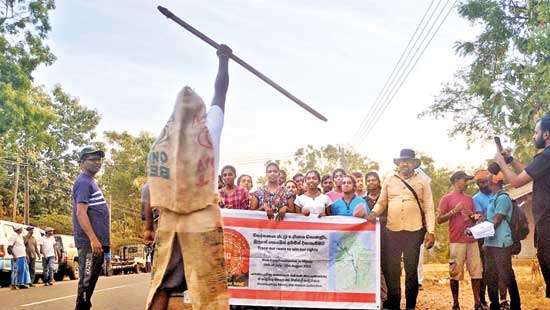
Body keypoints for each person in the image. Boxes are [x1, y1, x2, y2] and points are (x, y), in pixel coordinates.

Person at [367, 149, 435, 310]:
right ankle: (394, 304)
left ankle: (410, 306)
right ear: (397, 163)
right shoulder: (389, 179)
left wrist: (431, 231)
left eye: (408, 161)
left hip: (414, 231)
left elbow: (429, 207)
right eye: (402, 161)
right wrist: (373, 213)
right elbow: (382, 202)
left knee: (411, 272)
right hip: (393, 231)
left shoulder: (423, 181)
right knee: (392, 271)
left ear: (414, 163)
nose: (404, 163)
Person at [493, 113, 550, 299]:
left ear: (547, 134)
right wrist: (510, 160)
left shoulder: (547, 156)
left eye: (536, 132)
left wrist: (501, 163)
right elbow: (529, 173)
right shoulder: (545, 159)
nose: (534, 136)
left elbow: (517, 182)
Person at [437, 171, 484, 310]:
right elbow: (439, 219)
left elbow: (474, 217)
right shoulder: (446, 198)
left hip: (471, 239)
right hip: (456, 240)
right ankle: (456, 303)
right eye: (465, 180)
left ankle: (477, 303)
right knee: (455, 273)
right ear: (457, 180)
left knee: (476, 272)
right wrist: (453, 211)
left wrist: (475, 217)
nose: (467, 183)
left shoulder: (470, 199)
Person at [72, 146, 110, 309]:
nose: (98, 162)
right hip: (89, 244)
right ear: (82, 163)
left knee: (90, 283)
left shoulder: (90, 182)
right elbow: (81, 213)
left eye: (99, 159)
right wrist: (93, 239)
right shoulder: (83, 182)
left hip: (95, 243)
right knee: (86, 284)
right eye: (93, 159)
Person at [484, 173, 521, 310]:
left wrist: (478, 231)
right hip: (491, 242)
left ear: (492, 183)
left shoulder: (503, 198)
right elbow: (491, 220)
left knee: (506, 274)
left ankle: (516, 305)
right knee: (490, 275)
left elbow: (497, 220)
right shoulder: (493, 198)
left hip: (501, 243)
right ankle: (494, 304)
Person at [9, 225, 31, 290]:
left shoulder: (20, 236)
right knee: (16, 271)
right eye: (21, 228)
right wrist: (14, 255)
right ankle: (13, 284)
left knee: (23, 270)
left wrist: (26, 255)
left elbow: (22, 246)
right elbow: (10, 247)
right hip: (17, 256)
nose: (22, 229)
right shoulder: (13, 236)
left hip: (22, 256)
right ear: (18, 229)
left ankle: (21, 284)